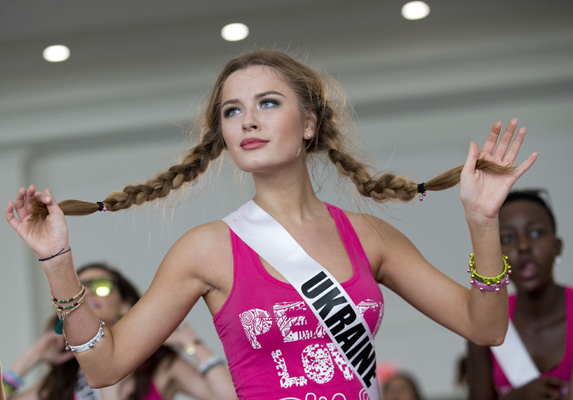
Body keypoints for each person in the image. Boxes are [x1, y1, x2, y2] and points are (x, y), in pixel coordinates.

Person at [5, 49, 538, 400]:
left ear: (308, 123)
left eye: (267, 103)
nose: (249, 121)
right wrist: (56, 260)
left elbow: (486, 327)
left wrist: (482, 221)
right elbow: (104, 368)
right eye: (232, 111)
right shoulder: (207, 249)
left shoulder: (369, 237)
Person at [1, 263, 237, 400]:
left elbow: (231, 397)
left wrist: (192, 344)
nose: (88, 293)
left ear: (125, 305)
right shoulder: (66, 377)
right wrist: (33, 355)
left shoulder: (160, 365)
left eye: (101, 287)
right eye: (80, 289)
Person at [467, 190, 570, 399]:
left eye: (536, 233)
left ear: (557, 246)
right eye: (507, 238)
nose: (523, 246)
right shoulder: (483, 320)